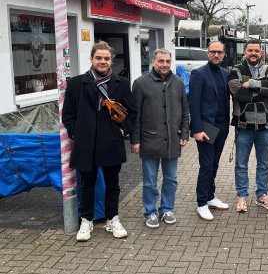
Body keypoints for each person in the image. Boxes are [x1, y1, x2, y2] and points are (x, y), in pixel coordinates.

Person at [63, 41, 134, 241]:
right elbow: (68, 114)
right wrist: (76, 132)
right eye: (98, 58)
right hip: (86, 142)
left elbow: (131, 112)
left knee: (113, 184)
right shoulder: (76, 83)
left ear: (112, 60)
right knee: (87, 184)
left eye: (106, 58)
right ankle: (86, 220)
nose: (102, 61)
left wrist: (123, 130)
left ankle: (113, 218)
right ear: (92, 59)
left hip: (111, 141)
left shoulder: (121, 84)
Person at [131, 48, 189, 229]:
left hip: (172, 139)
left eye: (167, 61)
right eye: (160, 61)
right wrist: (135, 139)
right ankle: (150, 211)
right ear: (153, 62)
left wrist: (184, 133)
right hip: (149, 139)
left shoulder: (178, 83)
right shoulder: (140, 83)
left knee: (171, 178)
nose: (164, 65)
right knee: (149, 180)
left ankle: (167, 208)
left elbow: (185, 110)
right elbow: (136, 114)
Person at [228, 40, 268, 212]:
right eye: (250, 50)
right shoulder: (236, 70)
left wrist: (251, 84)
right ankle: (242, 196)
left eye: (256, 50)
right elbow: (237, 92)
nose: (253, 53)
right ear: (245, 52)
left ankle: (261, 195)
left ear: (261, 52)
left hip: (266, 126)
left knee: (264, 164)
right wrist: (262, 90)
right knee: (241, 164)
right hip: (243, 125)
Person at [189, 41, 230, 221]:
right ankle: (201, 203)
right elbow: (193, 103)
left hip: (222, 127)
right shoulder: (198, 74)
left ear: (224, 54)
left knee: (214, 164)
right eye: (213, 52)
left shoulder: (226, 73)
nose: (216, 55)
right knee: (206, 165)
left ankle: (211, 196)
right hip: (206, 128)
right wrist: (196, 129)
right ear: (208, 53)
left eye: (219, 52)